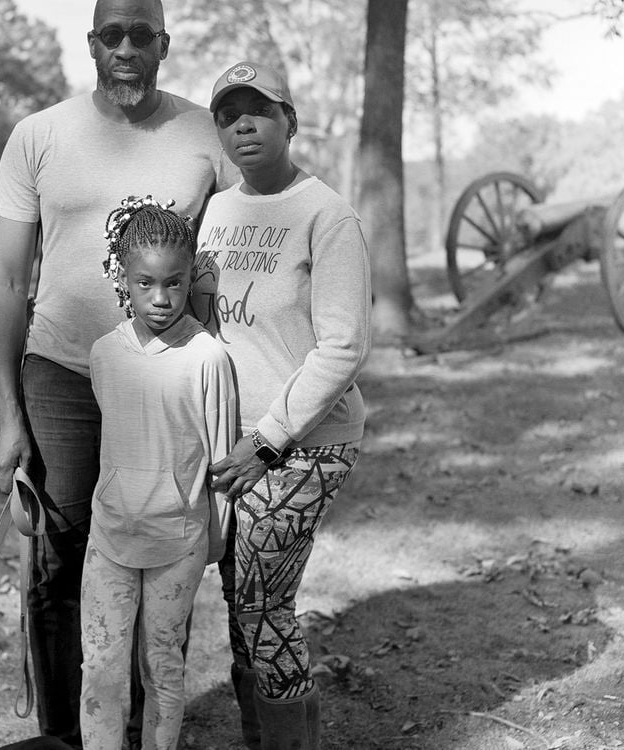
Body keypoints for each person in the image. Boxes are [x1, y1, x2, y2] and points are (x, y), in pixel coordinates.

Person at [0, 1, 232, 746]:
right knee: (60, 560)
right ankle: (69, 736)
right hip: (60, 374)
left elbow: (262, 226)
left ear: (164, 43)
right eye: (111, 34)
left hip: (167, 380)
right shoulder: (39, 136)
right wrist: (6, 413)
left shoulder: (205, 136)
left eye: (141, 35)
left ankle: (146, 728)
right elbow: (3, 281)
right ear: (92, 42)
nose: (126, 48)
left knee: (163, 550)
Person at [191, 61, 372, 750]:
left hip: (305, 441)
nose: (244, 123)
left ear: (288, 122)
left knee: (263, 603)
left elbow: (343, 346)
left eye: (260, 110)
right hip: (236, 443)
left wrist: (267, 440)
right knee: (242, 600)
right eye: (229, 113)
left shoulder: (326, 215)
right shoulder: (216, 211)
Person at [79, 196, 235, 750]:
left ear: (190, 275)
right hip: (111, 537)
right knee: (100, 669)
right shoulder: (104, 354)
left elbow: (222, 459)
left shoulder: (207, 358)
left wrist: (215, 541)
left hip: (179, 542)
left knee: (162, 668)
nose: (162, 298)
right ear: (124, 277)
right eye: (146, 283)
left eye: (174, 282)